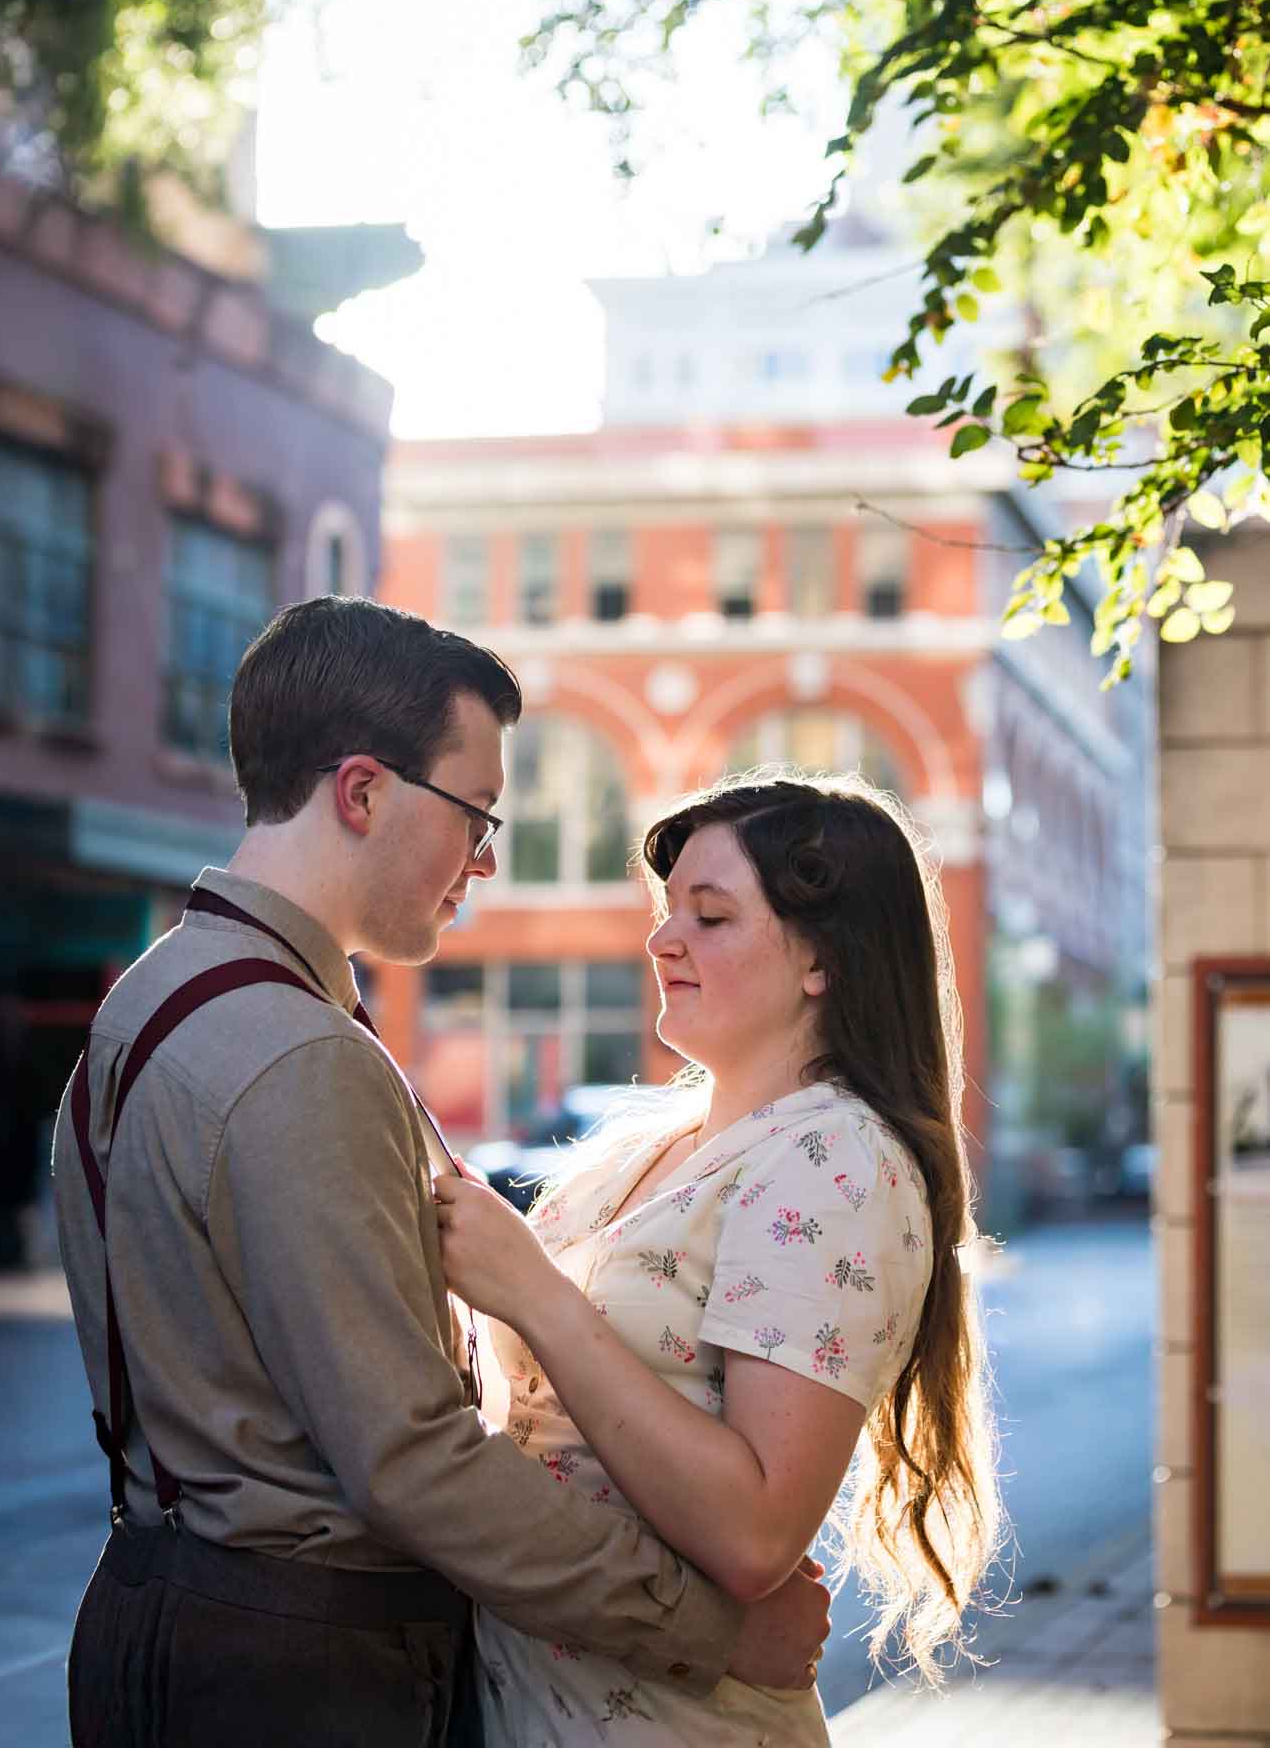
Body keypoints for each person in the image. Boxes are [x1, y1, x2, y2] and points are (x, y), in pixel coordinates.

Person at [52, 601, 831, 1748]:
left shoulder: (152, 998)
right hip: (304, 1663)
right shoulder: (298, 1053)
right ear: (362, 792)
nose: (487, 855)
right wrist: (704, 1625)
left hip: (165, 1606)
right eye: (473, 810)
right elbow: (411, 1455)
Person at [435, 772, 1004, 1745]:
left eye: (710, 916)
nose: (662, 941)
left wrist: (531, 1289)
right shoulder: (641, 1142)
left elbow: (753, 1535)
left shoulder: (836, 1159)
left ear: (822, 956)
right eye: (668, 912)